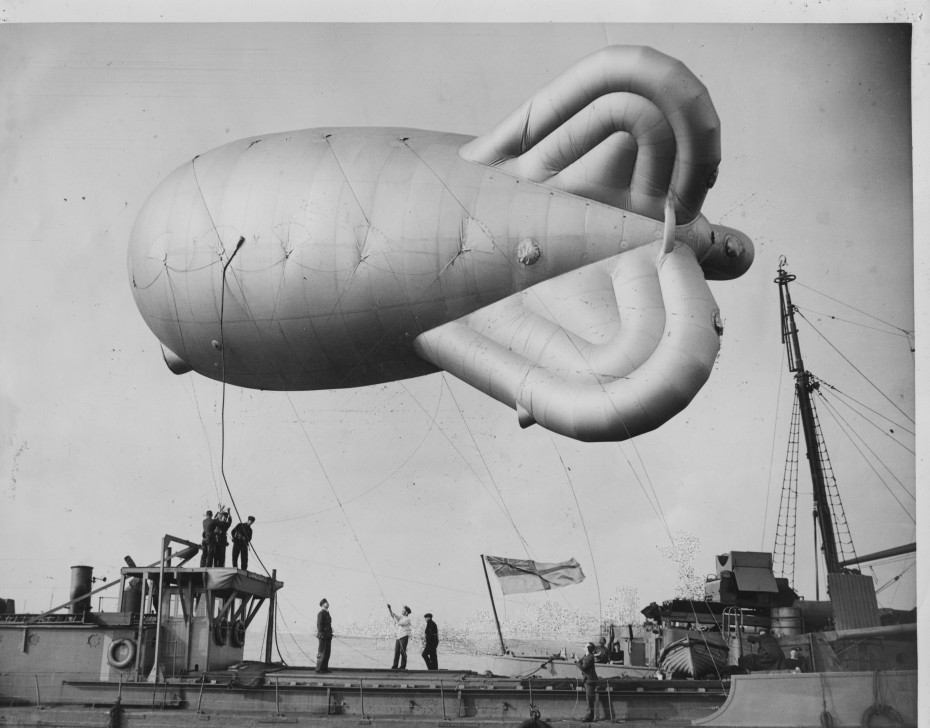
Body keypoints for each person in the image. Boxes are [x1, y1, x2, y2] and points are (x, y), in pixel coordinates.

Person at [574, 642, 598, 722]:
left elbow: (583, 668)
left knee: (590, 700)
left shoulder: (590, 657)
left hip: (590, 681)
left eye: (585, 646)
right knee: (589, 699)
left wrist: (577, 660)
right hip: (588, 680)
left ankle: (589, 717)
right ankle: (589, 716)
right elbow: (581, 663)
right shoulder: (586, 656)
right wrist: (576, 658)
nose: (584, 647)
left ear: (588, 648)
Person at [387, 604, 412, 670]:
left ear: (406, 612)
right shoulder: (401, 617)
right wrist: (390, 609)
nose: (402, 611)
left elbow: (399, 623)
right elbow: (393, 616)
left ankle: (403, 666)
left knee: (402, 651)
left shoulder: (407, 619)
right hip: (398, 637)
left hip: (404, 636)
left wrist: (395, 617)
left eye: (404, 610)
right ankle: (394, 666)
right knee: (396, 652)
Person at [316, 598, 332, 673]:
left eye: (327, 602)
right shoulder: (321, 613)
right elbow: (319, 625)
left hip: (328, 636)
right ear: (322, 604)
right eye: (326, 602)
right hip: (323, 636)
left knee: (327, 653)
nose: (327, 603)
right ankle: (319, 669)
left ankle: (324, 668)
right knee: (321, 653)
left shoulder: (327, 613)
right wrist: (322, 634)